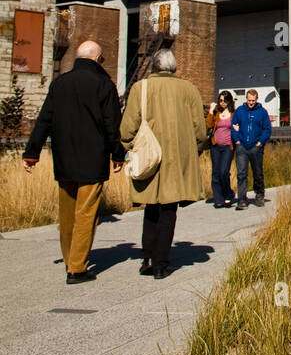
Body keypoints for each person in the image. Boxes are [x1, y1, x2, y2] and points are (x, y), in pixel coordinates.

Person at [22, 41, 125, 284]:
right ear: (97, 58)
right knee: (86, 213)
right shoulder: (104, 85)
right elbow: (112, 125)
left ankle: (69, 259)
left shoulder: (60, 83)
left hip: (64, 158)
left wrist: (31, 153)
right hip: (93, 159)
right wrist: (118, 154)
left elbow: (44, 119)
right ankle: (77, 268)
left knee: (67, 213)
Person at [120, 49, 208, 279]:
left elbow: (128, 127)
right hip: (178, 157)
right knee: (169, 208)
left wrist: (129, 146)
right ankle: (161, 263)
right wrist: (195, 150)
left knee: (151, 205)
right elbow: (200, 129)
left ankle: (147, 257)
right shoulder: (189, 89)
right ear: (174, 67)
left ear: (153, 66)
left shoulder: (141, 88)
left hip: (150, 155)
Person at [231, 88, 272, 209]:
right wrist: (237, 140)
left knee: (257, 173)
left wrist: (260, 142)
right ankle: (242, 199)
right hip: (242, 146)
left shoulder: (262, 112)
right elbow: (233, 126)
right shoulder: (240, 111)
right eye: (249, 100)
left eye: (253, 101)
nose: (251, 103)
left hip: (256, 146)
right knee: (241, 173)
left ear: (257, 99)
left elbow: (267, 129)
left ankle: (259, 194)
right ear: (246, 99)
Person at [206, 91, 235, 207]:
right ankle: (218, 199)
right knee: (216, 173)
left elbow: (238, 126)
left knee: (224, 171)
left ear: (229, 101)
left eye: (225, 101)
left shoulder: (233, 114)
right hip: (216, 146)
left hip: (228, 146)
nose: (222, 103)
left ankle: (228, 193)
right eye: (220, 100)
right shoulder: (216, 113)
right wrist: (210, 112)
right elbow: (208, 125)